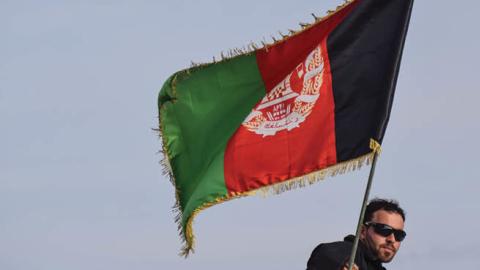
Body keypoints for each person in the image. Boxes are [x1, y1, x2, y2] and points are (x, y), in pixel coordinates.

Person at [306, 198, 406, 270]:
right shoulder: (344, 252)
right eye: (384, 230)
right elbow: (327, 255)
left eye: (399, 235)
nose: (392, 239)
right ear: (362, 231)